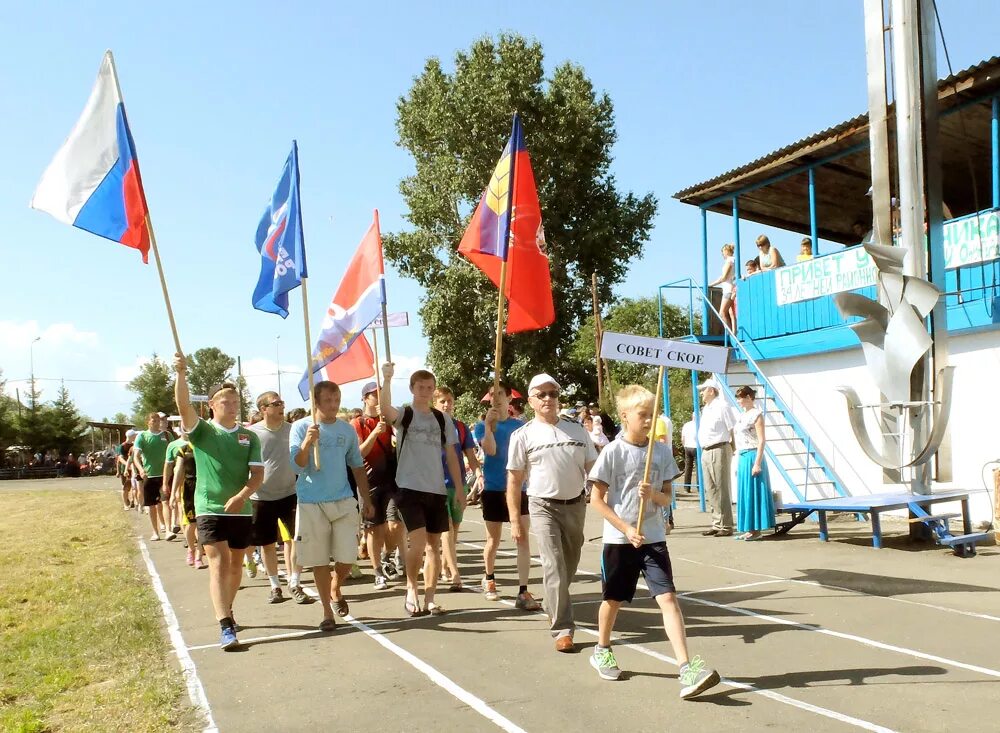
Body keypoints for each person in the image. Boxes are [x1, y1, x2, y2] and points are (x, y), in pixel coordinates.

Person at [587, 385, 720, 697]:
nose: (648, 421)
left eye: (651, 415)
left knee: (669, 598)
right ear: (624, 417)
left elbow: (666, 497)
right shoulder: (613, 452)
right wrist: (625, 527)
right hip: (621, 540)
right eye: (642, 415)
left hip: (653, 538)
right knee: (613, 600)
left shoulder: (660, 451)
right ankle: (602, 648)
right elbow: (596, 499)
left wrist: (654, 495)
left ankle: (686, 669)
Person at [174, 356, 264, 651]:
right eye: (225, 401)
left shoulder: (248, 436)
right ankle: (225, 626)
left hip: (241, 509)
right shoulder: (202, 431)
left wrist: (241, 496)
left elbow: (257, 475)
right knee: (219, 563)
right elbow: (183, 406)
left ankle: (227, 608)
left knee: (236, 565)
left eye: (235, 400)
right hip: (209, 507)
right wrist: (181, 372)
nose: (232, 405)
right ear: (212, 405)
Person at [508, 373, 597, 652]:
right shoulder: (523, 434)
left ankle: (553, 600)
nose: (548, 399)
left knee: (569, 562)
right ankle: (562, 629)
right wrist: (514, 520)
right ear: (531, 400)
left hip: (575, 504)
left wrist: (598, 489)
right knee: (554, 565)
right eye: (541, 394)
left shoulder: (578, 430)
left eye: (553, 393)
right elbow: (514, 479)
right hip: (542, 505)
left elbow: (593, 467)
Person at [380, 363, 465, 617]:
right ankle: (411, 589)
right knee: (416, 544)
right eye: (421, 387)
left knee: (433, 546)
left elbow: (452, 455)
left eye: (430, 387)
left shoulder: (442, 419)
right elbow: (385, 409)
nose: (426, 391)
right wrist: (386, 379)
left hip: (436, 489)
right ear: (412, 388)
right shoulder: (406, 414)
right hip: (409, 487)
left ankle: (430, 598)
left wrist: (460, 488)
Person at [290, 382, 373, 630]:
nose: (334, 405)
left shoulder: (346, 430)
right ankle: (327, 611)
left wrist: (366, 499)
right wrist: (307, 443)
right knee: (318, 560)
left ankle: (336, 586)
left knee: (347, 556)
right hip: (311, 502)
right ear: (316, 402)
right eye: (328, 400)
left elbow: (357, 465)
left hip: (343, 499)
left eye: (336, 400)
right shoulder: (300, 427)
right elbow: (296, 465)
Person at [474, 382, 539, 610]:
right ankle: (489, 577)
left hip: (519, 490)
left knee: (522, 538)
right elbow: (490, 451)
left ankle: (523, 590)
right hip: (494, 488)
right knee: (493, 539)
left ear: (510, 398)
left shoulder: (521, 427)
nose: (497, 399)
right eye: (492, 395)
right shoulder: (482, 426)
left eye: (500, 394)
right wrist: (489, 426)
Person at [249, 391, 310, 604]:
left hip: (290, 493)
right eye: (276, 404)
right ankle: (275, 585)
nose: (281, 406)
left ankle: (295, 581)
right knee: (266, 543)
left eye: (282, 402)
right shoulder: (252, 433)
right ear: (263, 409)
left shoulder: (292, 430)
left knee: (297, 539)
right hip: (261, 496)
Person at [352, 381, 404, 591]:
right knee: (374, 530)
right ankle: (377, 572)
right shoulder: (358, 423)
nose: (378, 398)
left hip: (392, 480)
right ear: (365, 398)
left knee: (395, 525)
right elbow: (359, 453)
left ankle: (386, 556)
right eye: (375, 395)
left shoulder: (390, 421)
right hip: (369, 483)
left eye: (381, 394)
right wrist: (374, 434)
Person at [435, 386, 481, 593]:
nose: (447, 404)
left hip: (458, 484)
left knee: (455, 529)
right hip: (436, 485)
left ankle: (445, 564)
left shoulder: (460, 427)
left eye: (449, 401)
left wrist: (478, 474)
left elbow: (470, 455)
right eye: (442, 401)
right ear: (435, 404)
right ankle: (455, 574)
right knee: (447, 529)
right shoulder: (429, 426)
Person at [733, 386, 775, 540]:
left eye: (741, 397)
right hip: (743, 455)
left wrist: (757, 463)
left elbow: (761, 440)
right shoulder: (741, 415)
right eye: (738, 397)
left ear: (749, 397)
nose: (739, 401)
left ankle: (756, 530)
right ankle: (748, 528)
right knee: (744, 492)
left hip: (752, 454)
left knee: (753, 491)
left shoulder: (756, 415)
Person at [697, 378, 736, 537]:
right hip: (706, 450)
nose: (701, 393)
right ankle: (716, 522)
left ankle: (726, 525)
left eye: (703, 390)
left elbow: (732, 428)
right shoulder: (706, 408)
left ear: (711, 390)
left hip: (719, 448)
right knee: (711, 488)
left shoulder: (722, 406)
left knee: (721, 487)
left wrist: (733, 448)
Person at [168, 429, 204, 569]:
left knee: (202, 523)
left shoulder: (206, 448)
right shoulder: (183, 450)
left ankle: (199, 556)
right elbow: (178, 470)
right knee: (191, 523)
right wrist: (173, 493)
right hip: (189, 487)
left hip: (205, 487)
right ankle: (191, 548)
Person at [133, 413, 172, 540]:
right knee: (152, 506)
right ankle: (155, 532)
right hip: (149, 476)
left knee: (165, 501)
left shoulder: (166, 435)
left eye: (158, 420)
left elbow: (174, 452)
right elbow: (136, 456)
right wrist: (140, 469)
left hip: (165, 475)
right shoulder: (142, 436)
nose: (156, 422)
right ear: (148, 422)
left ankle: (168, 530)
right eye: (153, 420)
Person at [708, 243, 736, 333]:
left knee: (722, 313)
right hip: (730, 288)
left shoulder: (729, 261)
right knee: (731, 313)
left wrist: (712, 284)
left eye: (723, 252)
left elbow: (724, 277)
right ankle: (734, 332)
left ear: (726, 251)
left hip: (728, 290)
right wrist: (712, 284)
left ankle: (730, 333)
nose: (722, 254)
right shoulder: (733, 260)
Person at [117, 432, 135, 510]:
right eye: (134, 435)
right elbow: (120, 458)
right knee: (126, 487)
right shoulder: (122, 446)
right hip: (125, 469)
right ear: (131, 436)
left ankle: (133, 501)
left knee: (134, 486)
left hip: (134, 469)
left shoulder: (134, 445)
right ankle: (125, 504)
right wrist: (128, 465)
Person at [680, 412, 698, 493]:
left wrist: (684, 446)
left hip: (687, 447)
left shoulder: (686, 425)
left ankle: (686, 487)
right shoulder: (699, 425)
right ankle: (699, 487)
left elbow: (682, 438)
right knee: (698, 468)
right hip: (696, 447)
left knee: (688, 467)